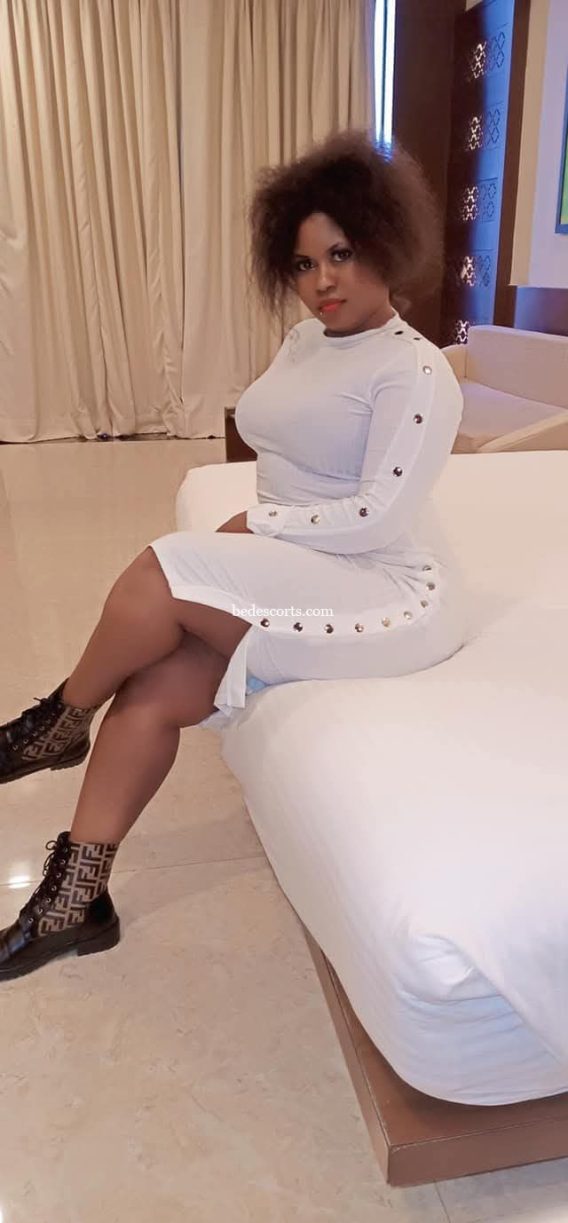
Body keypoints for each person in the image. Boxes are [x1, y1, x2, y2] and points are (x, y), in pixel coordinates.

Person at [0, 128, 467, 980]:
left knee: (161, 567)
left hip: (385, 589)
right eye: (303, 263)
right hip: (311, 561)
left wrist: (259, 527)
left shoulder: (417, 371)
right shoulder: (305, 341)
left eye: (342, 254)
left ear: (386, 244)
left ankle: (57, 723)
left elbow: (376, 516)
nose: (322, 281)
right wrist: (254, 535)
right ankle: (77, 898)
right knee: (148, 691)